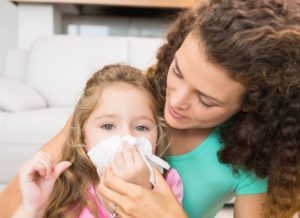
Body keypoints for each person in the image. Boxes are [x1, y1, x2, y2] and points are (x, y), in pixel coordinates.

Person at [1, 0, 300, 217]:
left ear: (253, 102)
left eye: (206, 100)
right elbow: (9, 206)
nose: (177, 100)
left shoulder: (255, 165)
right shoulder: (126, 100)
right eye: (178, 71)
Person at [11, 65, 183, 218]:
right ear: (82, 135)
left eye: (141, 128)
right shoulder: (63, 183)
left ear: (157, 133)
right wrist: (32, 208)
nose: (126, 140)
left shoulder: (167, 184)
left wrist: (142, 190)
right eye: (108, 126)